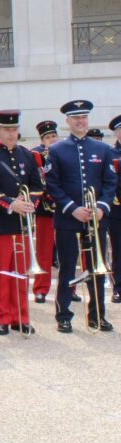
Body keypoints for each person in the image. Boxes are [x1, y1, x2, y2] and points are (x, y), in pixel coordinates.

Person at [46, 100, 116, 333]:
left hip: (96, 219)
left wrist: (102, 207)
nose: (80, 121)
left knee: (97, 267)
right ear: (68, 122)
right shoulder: (56, 150)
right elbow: (52, 184)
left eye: (84, 117)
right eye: (76, 118)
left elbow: (110, 182)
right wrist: (71, 207)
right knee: (67, 267)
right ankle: (63, 315)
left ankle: (97, 315)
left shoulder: (103, 150)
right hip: (68, 218)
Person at [0, 110, 43, 335]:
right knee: (2, 273)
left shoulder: (29, 156)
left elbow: (37, 185)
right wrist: (12, 204)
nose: (11, 134)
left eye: (14, 129)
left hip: (22, 223)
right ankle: (2, 318)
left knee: (21, 274)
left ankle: (21, 317)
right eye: (6, 129)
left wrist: (29, 202)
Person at [31, 121, 60, 303]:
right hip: (44, 208)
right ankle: (41, 288)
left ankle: (69, 287)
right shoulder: (36, 155)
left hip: (66, 209)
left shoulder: (66, 152)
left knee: (67, 251)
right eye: (48, 137)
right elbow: (35, 180)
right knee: (44, 251)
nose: (52, 139)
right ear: (42, 140)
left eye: (53, 136)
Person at [108, 114, 121, 303]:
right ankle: (118, 287)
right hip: (118, 209)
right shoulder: (110, 154)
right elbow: (110, 182)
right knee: (118, 249)